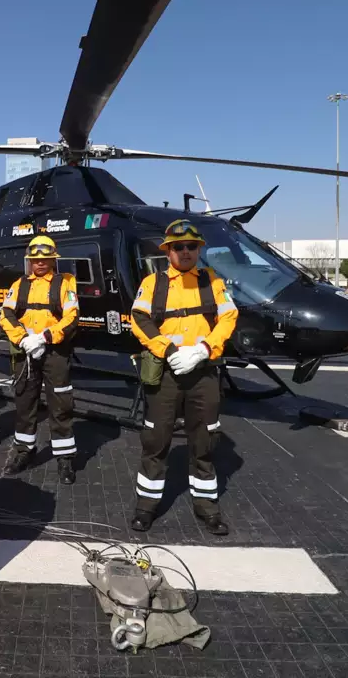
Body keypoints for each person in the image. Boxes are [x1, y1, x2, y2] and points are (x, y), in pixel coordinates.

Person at [128, 219, 238, 536]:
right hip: (167, 371)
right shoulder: (153, 283)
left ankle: (208, 509)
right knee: (156, 439)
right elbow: (139, 318)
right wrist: (169, 349)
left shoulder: (212, 281)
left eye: (191, 246)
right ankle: (145, 507)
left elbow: (228, 315)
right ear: (168, 251)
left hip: (203, 371)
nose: (185, 252)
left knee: (204, 440)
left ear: (199, 249)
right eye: (179, 247)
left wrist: (204, 349)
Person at [0, 235, 80, 484]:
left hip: (54, 351)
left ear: (52, 259)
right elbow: (6, 313)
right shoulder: (19, 284)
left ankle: (65, 458)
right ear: (30, 260)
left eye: (45, 258)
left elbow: (71, 316)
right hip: (26, 350)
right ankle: (24, 450)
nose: (40, 262)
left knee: (60, 403)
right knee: (24, 401)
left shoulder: (66, 282)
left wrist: (45, 337)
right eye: (36, 258)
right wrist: (23, 338)